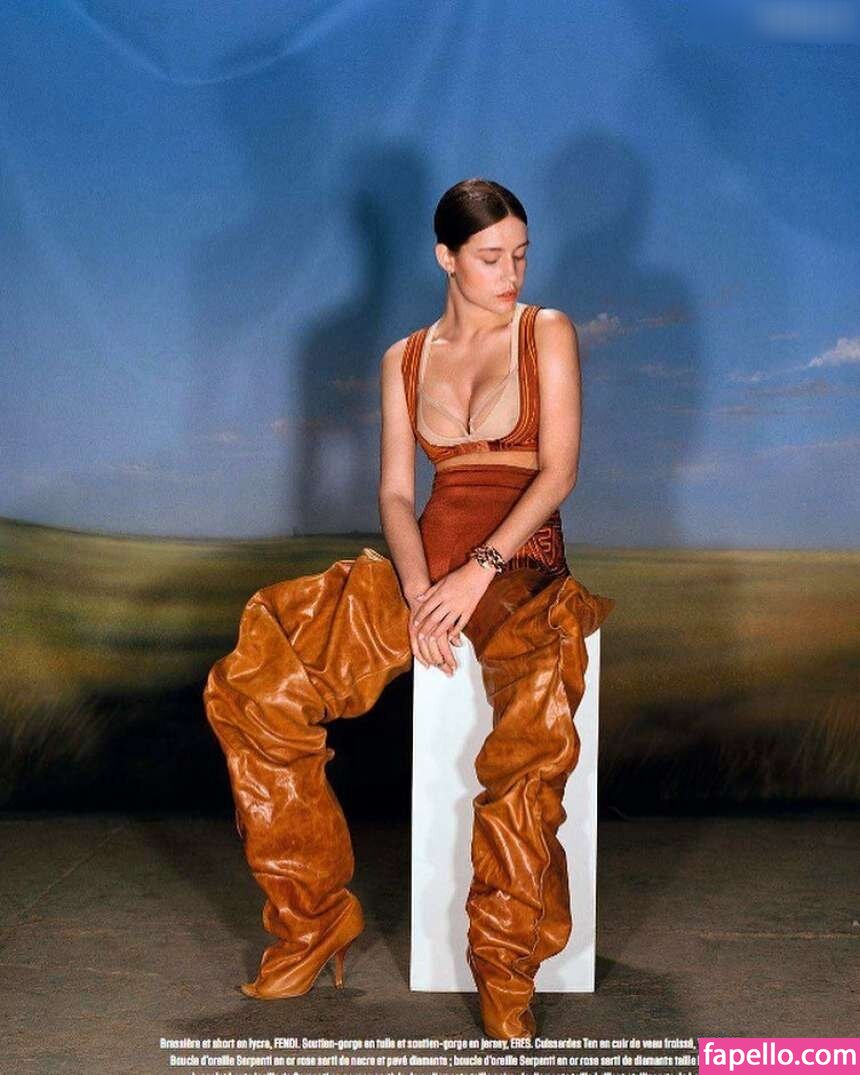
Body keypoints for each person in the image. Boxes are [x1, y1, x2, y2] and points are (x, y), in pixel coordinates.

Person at [202, 177, 615, 1042]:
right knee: (254, 681)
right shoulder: (406, 357)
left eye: (521, 256)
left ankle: (504, 964)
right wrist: (423, 586)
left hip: (522, 572)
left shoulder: (546, 330)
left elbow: (559, 471)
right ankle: (313, 919)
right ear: (446, 258)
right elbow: (396, 492)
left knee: (528, 750)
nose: (511, 274)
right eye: (491, 258)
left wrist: (478, 573)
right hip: (423, 573)